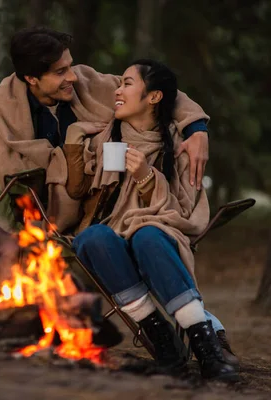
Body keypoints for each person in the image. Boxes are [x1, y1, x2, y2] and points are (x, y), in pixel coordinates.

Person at [0, 27, 235, 365]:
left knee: (149, 238)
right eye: (61, 72)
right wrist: (68, 158)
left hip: (101, 201)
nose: (72, 77)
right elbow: (9, 172)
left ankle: (207, 331)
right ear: (32, 78)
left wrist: (197, 129)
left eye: (70, 66)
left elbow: (161, 92)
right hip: (36, 204)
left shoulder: (87, 83)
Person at [65, 59, 236, 381]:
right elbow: (77, 191)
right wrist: (74, 139)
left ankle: (205, 348)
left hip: (158, 232)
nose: (118, 90)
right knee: (91, 238)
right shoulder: (105, 137)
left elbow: (186, 212)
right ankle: (162, 340)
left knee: (147, 236)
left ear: (154, 97)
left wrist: (146, 178)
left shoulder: (181, 146)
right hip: (113, 231)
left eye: (128, 83)